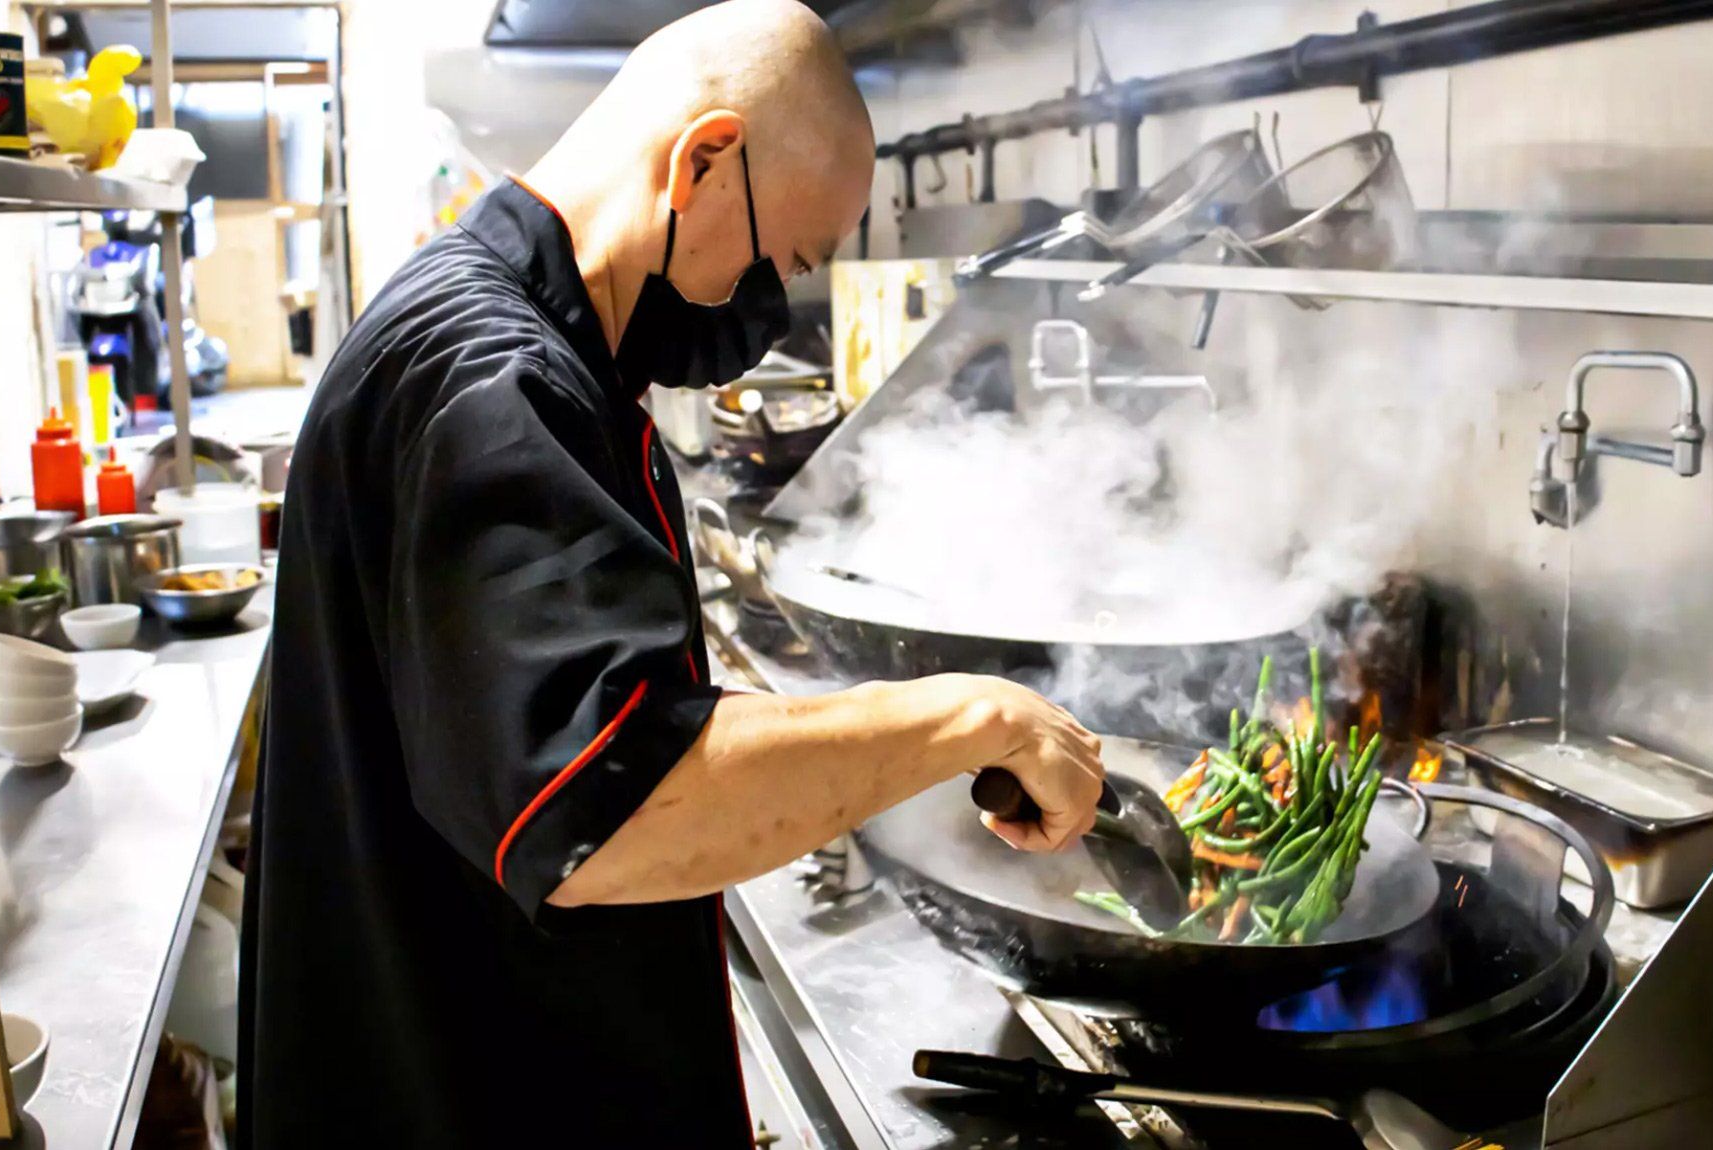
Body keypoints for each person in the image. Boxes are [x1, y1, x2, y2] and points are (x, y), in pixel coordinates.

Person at [239, 1, 1105, 1145]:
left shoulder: (507, 339)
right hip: (457, 1096)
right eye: (779, 261)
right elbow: (615, 812)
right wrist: (971, 715)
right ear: (701, 161)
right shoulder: (496, 384)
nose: (761, 311)